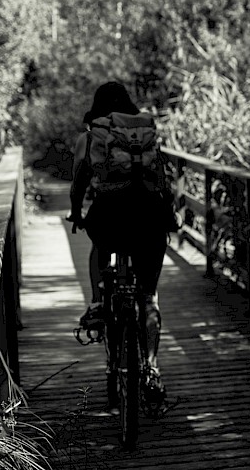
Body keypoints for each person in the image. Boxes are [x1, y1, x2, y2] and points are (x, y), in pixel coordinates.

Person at [69, 81, 171, 403]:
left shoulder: (91, 136)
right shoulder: (145, 132)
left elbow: (79, 182)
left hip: (111, 216)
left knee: (100, 244)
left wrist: (76, 213)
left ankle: (99, 301)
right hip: (150, 217)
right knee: (149, 296)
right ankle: (152, 368)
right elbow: (163, 178)